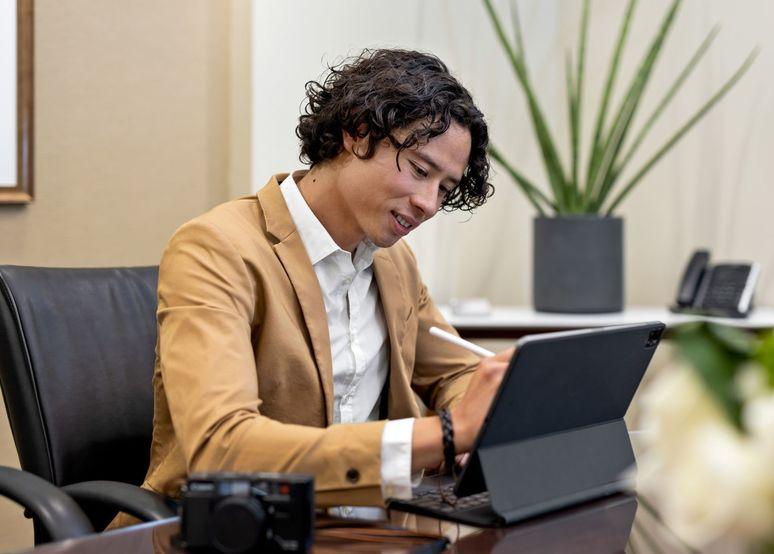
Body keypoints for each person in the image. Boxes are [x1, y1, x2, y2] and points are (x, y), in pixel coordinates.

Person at [108, 48, 510, 528]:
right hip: (237, 531)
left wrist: (482, 403)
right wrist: (445, 435)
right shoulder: (217, 248)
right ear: (357, 132)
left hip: (364, 532)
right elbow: (221, 446)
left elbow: (456, 373)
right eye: (420, 171)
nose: (428, 204)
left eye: (445, 189)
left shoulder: (393, 263)